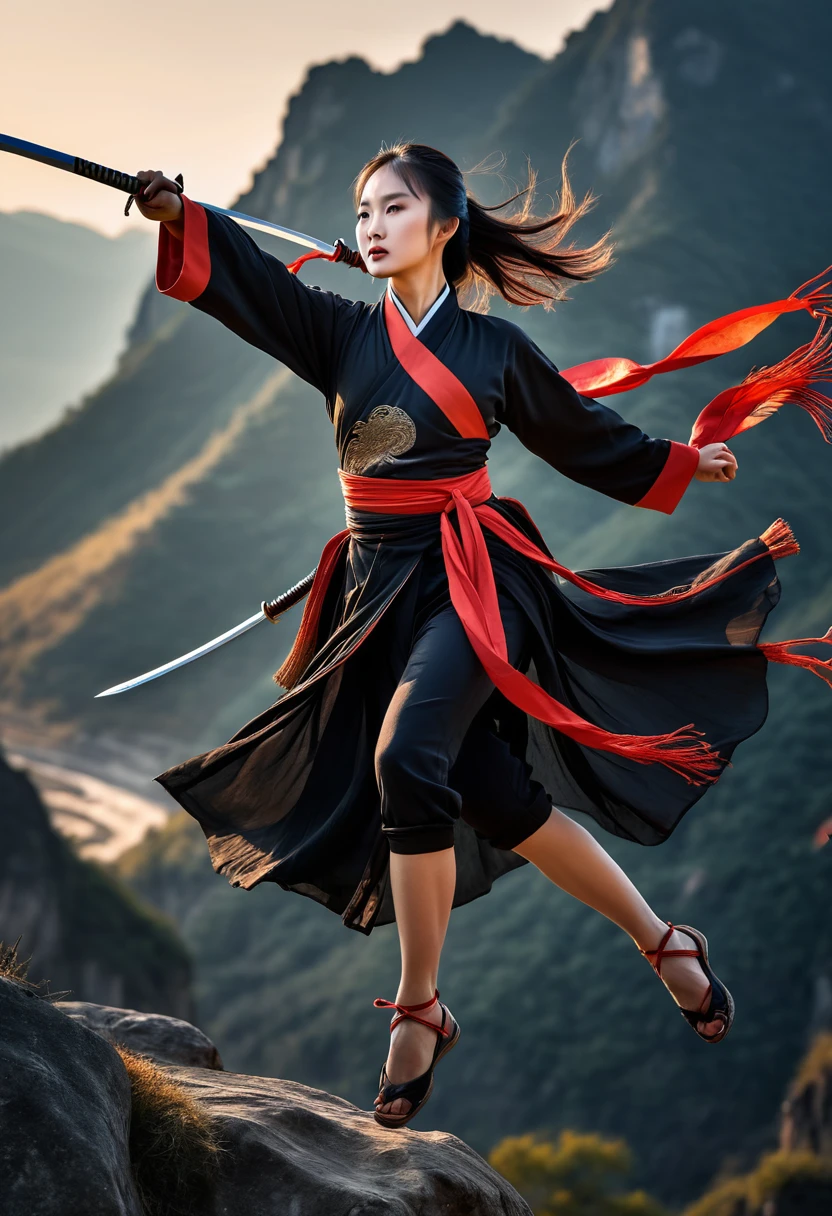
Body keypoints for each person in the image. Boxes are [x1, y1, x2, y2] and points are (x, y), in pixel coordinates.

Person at [132, 142, 832, 1127]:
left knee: (408, 759)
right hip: (378, 597)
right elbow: (241, 276)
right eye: (361, 210)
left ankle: (418, 1009)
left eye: (392, 208)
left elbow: (586, 440)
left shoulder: (494, 352)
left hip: (470, 580)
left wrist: (685, 464)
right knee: (496, 796)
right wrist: (179, 218)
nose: (371, 225)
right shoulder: (336, 333)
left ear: (446, 225)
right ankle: (665, 939)